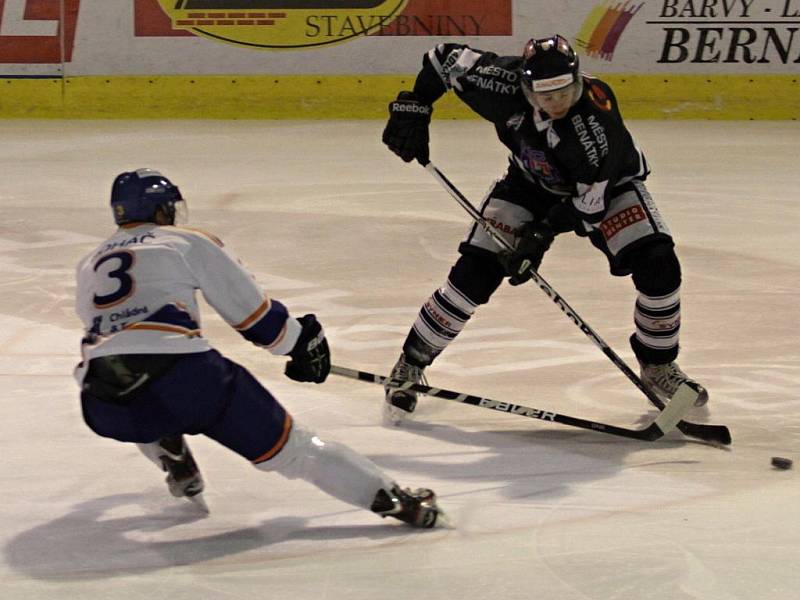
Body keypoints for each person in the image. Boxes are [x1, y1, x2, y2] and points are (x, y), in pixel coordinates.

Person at [74, 168, 446, 528]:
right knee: (299, 452)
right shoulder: (183, 241)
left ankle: (167, 449)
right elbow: (256, 319)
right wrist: (301, 345)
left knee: (134, 383)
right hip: (188, 381)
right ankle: (398, 503)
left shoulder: (89, 263)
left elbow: (115, 333)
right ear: (161, 209)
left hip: (102, 399)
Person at [380, 34, 708, 424]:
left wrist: (538, 238)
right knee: (474, 275)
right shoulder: (496, 81)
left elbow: (589, 206)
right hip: (528, 184)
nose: (557, 102)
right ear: (524, 87)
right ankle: (410, 362)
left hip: (607, 188)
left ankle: (658, 366)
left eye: (566, 91)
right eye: (546, 95)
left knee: (659, 265)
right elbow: (441, 60)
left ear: (579, 80)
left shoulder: (593, 124)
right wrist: (416, 105)